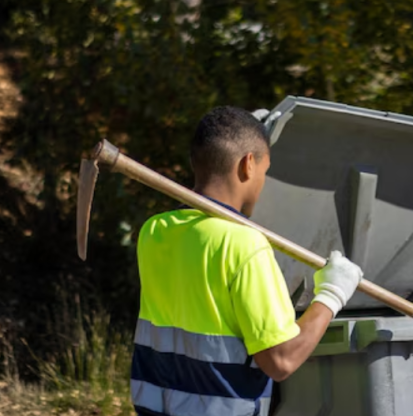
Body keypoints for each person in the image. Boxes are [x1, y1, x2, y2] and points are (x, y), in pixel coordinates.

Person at [129, 106, 364, 416]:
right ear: (248, 164)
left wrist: (247, 134)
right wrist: (332, 294)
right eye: (265, 171)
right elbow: (281, 361)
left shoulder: (155, 231)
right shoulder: (245, 245)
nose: (263, 184)